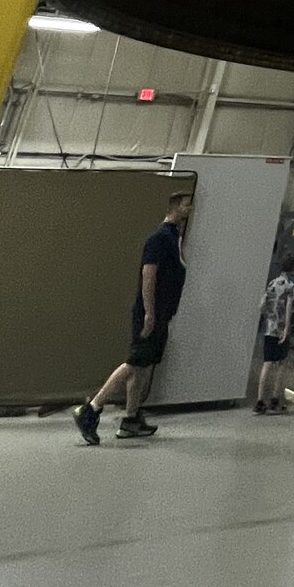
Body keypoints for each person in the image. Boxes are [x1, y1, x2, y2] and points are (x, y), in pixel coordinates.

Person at [73, 188, 192, 445]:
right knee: (134, 363)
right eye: (186, 205)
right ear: (174, 207)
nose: (189, 210)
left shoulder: (173, 238)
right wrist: (149, 312)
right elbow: (149, 275)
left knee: (142, 367)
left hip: (161, 314)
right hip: (151, 314)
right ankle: (91, 409)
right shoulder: (159, 238)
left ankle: (131, 419)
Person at [255, 255, 294, 415]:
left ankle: (260, 400)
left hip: (269, 327)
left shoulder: (272, 283)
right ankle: (275, 399)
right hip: (281, 330)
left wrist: (269, 317)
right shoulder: (290, 286)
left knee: (267, 363)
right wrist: (286, 328)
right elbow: (288, 308)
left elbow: (262, 305)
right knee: (280, 364)